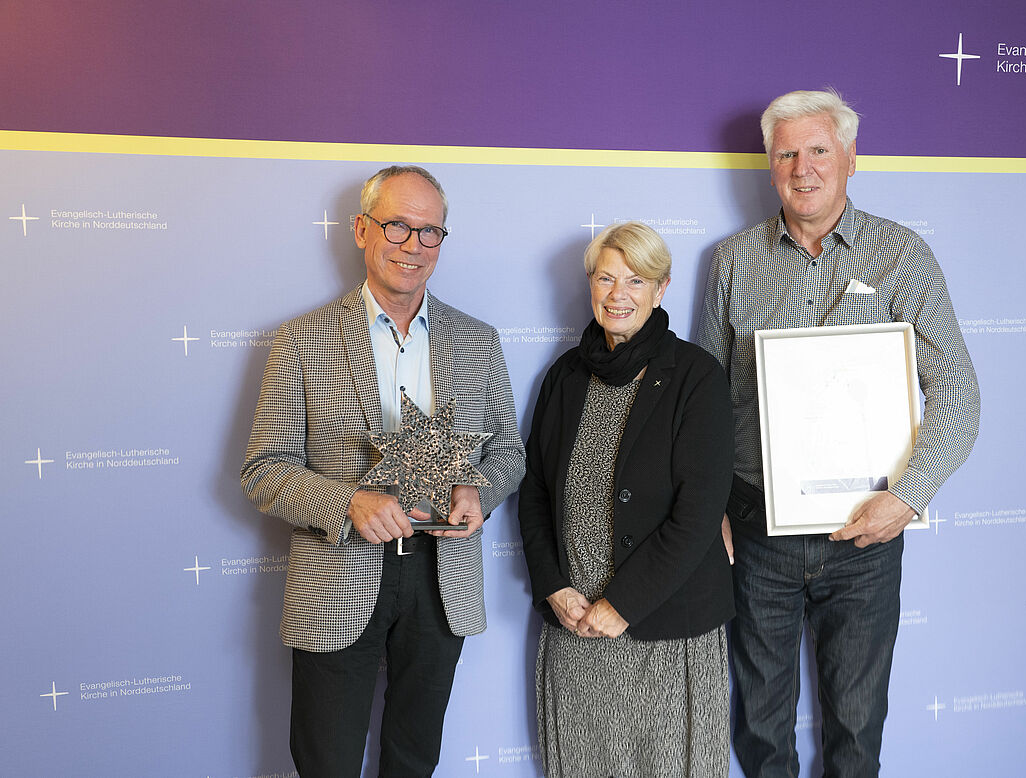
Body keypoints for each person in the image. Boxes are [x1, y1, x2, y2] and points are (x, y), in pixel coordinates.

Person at [697, 89, 981, 777]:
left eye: (818, 150)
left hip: (867, 532)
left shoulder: (902, 257)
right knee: (761, 729)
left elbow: (957, 391)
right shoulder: (733, 261)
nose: (803, 167)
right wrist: (710, 516)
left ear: (851, 157)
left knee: (857, 729)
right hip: (757, 527)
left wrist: (908, 498)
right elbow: (702, 401)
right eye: (786, 153)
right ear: (770, 167)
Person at [240, 165, 525, 777]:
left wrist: (481, 491)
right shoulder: (301, 339)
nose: (413, 245)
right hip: (339, 573)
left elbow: (508, 451)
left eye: (430, 232)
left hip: (440, 577)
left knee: (414, 759)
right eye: (397, 225)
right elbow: (263, 469)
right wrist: (349, 503)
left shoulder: (478, 340)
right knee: (327, 762)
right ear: (362, 230)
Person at [519, 221, 735, 777]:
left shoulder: (695, 376)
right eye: (606, 278)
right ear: (590, 284)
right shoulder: (564, 376)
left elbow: (699, 513)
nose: (619, 295)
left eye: (636, 281)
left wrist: (622, 606)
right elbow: (537, 493)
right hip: (575, 628)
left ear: (661, 290)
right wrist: (553, 587)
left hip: (667, 629)